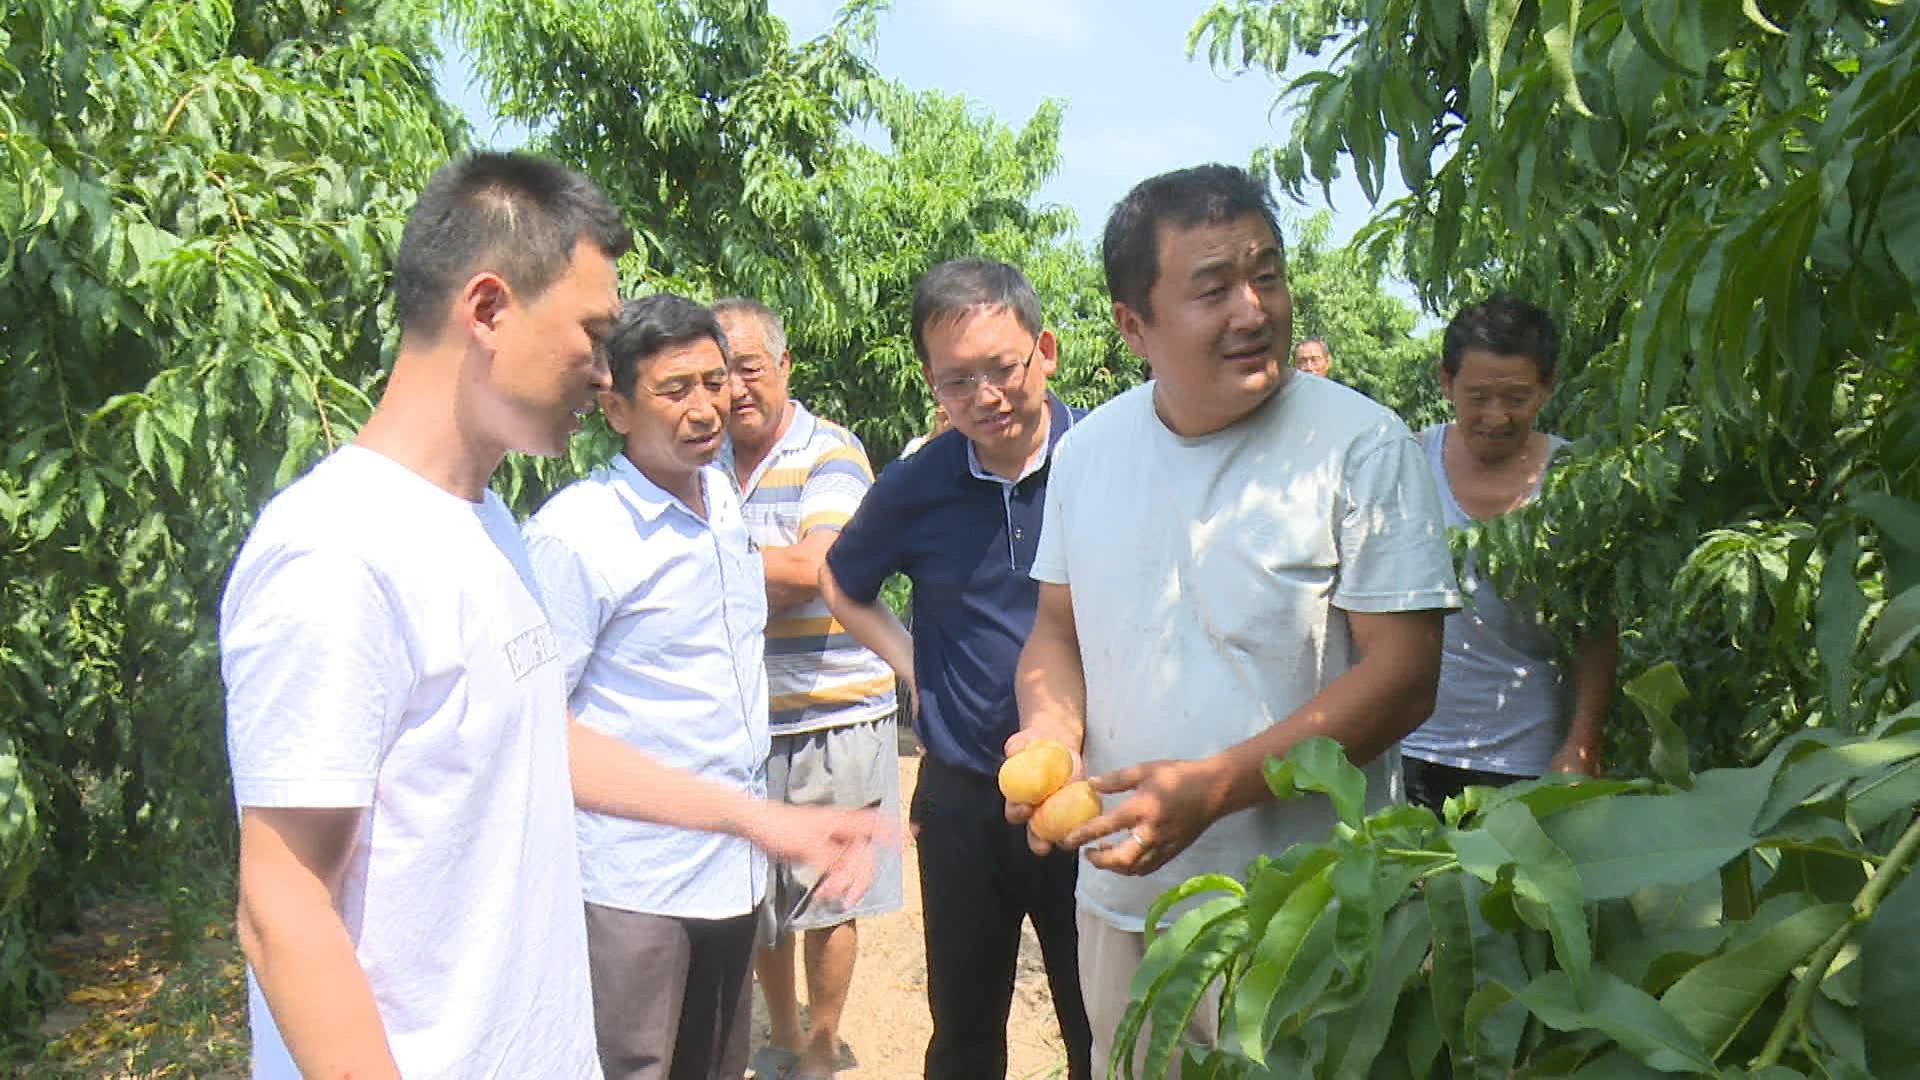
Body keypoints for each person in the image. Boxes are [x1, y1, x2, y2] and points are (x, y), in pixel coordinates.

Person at [220, 153, 880, 1080]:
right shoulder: (337, 550)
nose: (607, 370)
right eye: (594, 333)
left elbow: (539, 734)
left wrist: (762, 823)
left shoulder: (486, 524)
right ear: (488, 310)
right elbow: (282, 906)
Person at [1008, 164, 1460, 1077]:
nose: (1254, 309)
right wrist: (1051, 726)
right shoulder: (1090, 451)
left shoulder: (1361, 447)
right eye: (1212, 288)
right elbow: (1057, 626)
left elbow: (1405, 674)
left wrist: (1215, 786)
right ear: (1134, 324)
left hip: (1306, 915)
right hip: (1121, 905)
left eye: (1269, 274)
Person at [820, 259, 1094, 1080]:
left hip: (1091, 789)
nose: (986, 396)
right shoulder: (918, 484)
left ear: (1045, 350)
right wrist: (914, 665)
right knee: (966, 1028)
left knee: (1102, 1020)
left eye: (1003, 368)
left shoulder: (1108, 460)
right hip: (965, 794)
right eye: (957, 380)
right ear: (933, 385)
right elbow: (842, 578)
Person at [523, 294, 781, 1079]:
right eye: (676, 391)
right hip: (633, 882)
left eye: (715, 382)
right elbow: (532, 720)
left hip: (730, 866)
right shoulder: (577, 536)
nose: (706, 408)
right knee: (632, 1065)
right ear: (615, 406)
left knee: (714, 1065)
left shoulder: (725, 502)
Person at [711, 297, 904, 1080]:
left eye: (749, 368)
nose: (734, 389)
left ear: (784, 366)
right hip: (745, 713)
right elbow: (781, 569)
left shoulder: (832, 453)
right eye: (719, 374)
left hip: (836, 708)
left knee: (832, 893)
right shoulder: (704, 459)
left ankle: (822, 1044)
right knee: (759, 895)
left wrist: (698, 570)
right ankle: (785, 1035)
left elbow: (811, 571)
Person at [1398, 296, 1618, 811]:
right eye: (1478, 396)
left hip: (1525, 753)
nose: (1496, 417)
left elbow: (1597, 626)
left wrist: (1582, 744)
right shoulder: (1407, 462)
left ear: (1547, 387)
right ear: (1446, 382)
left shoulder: (1572, 481)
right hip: (1408, 743)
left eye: (1516, 397)